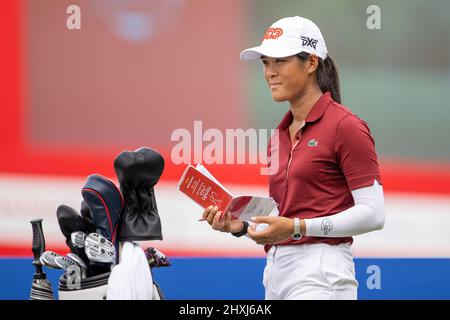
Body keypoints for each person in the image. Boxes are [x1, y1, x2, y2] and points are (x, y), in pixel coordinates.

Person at [202, 16, 385, 300]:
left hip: (322, 272)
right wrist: (241, 227)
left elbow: (374, 214)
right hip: (276, 271)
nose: (269, 72)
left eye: (280, 61)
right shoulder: (278, 136)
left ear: (311, 63)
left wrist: (298, 227)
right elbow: (283, 220)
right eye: (265, 63)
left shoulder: (346, 126)